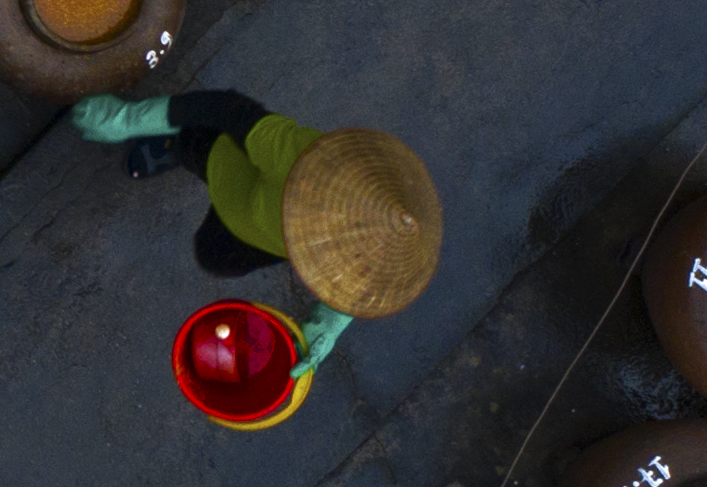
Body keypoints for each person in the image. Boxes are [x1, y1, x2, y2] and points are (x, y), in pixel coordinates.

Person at [65, 94, 442, 368]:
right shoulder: (304, 160)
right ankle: (173, 145)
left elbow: (360, 280)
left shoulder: (387, 252)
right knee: (198, 146)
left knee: (213, 254)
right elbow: (229, 109)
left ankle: (182, 155)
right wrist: (130, 118)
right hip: (225, 161)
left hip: (264, 237)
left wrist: (331, 320)